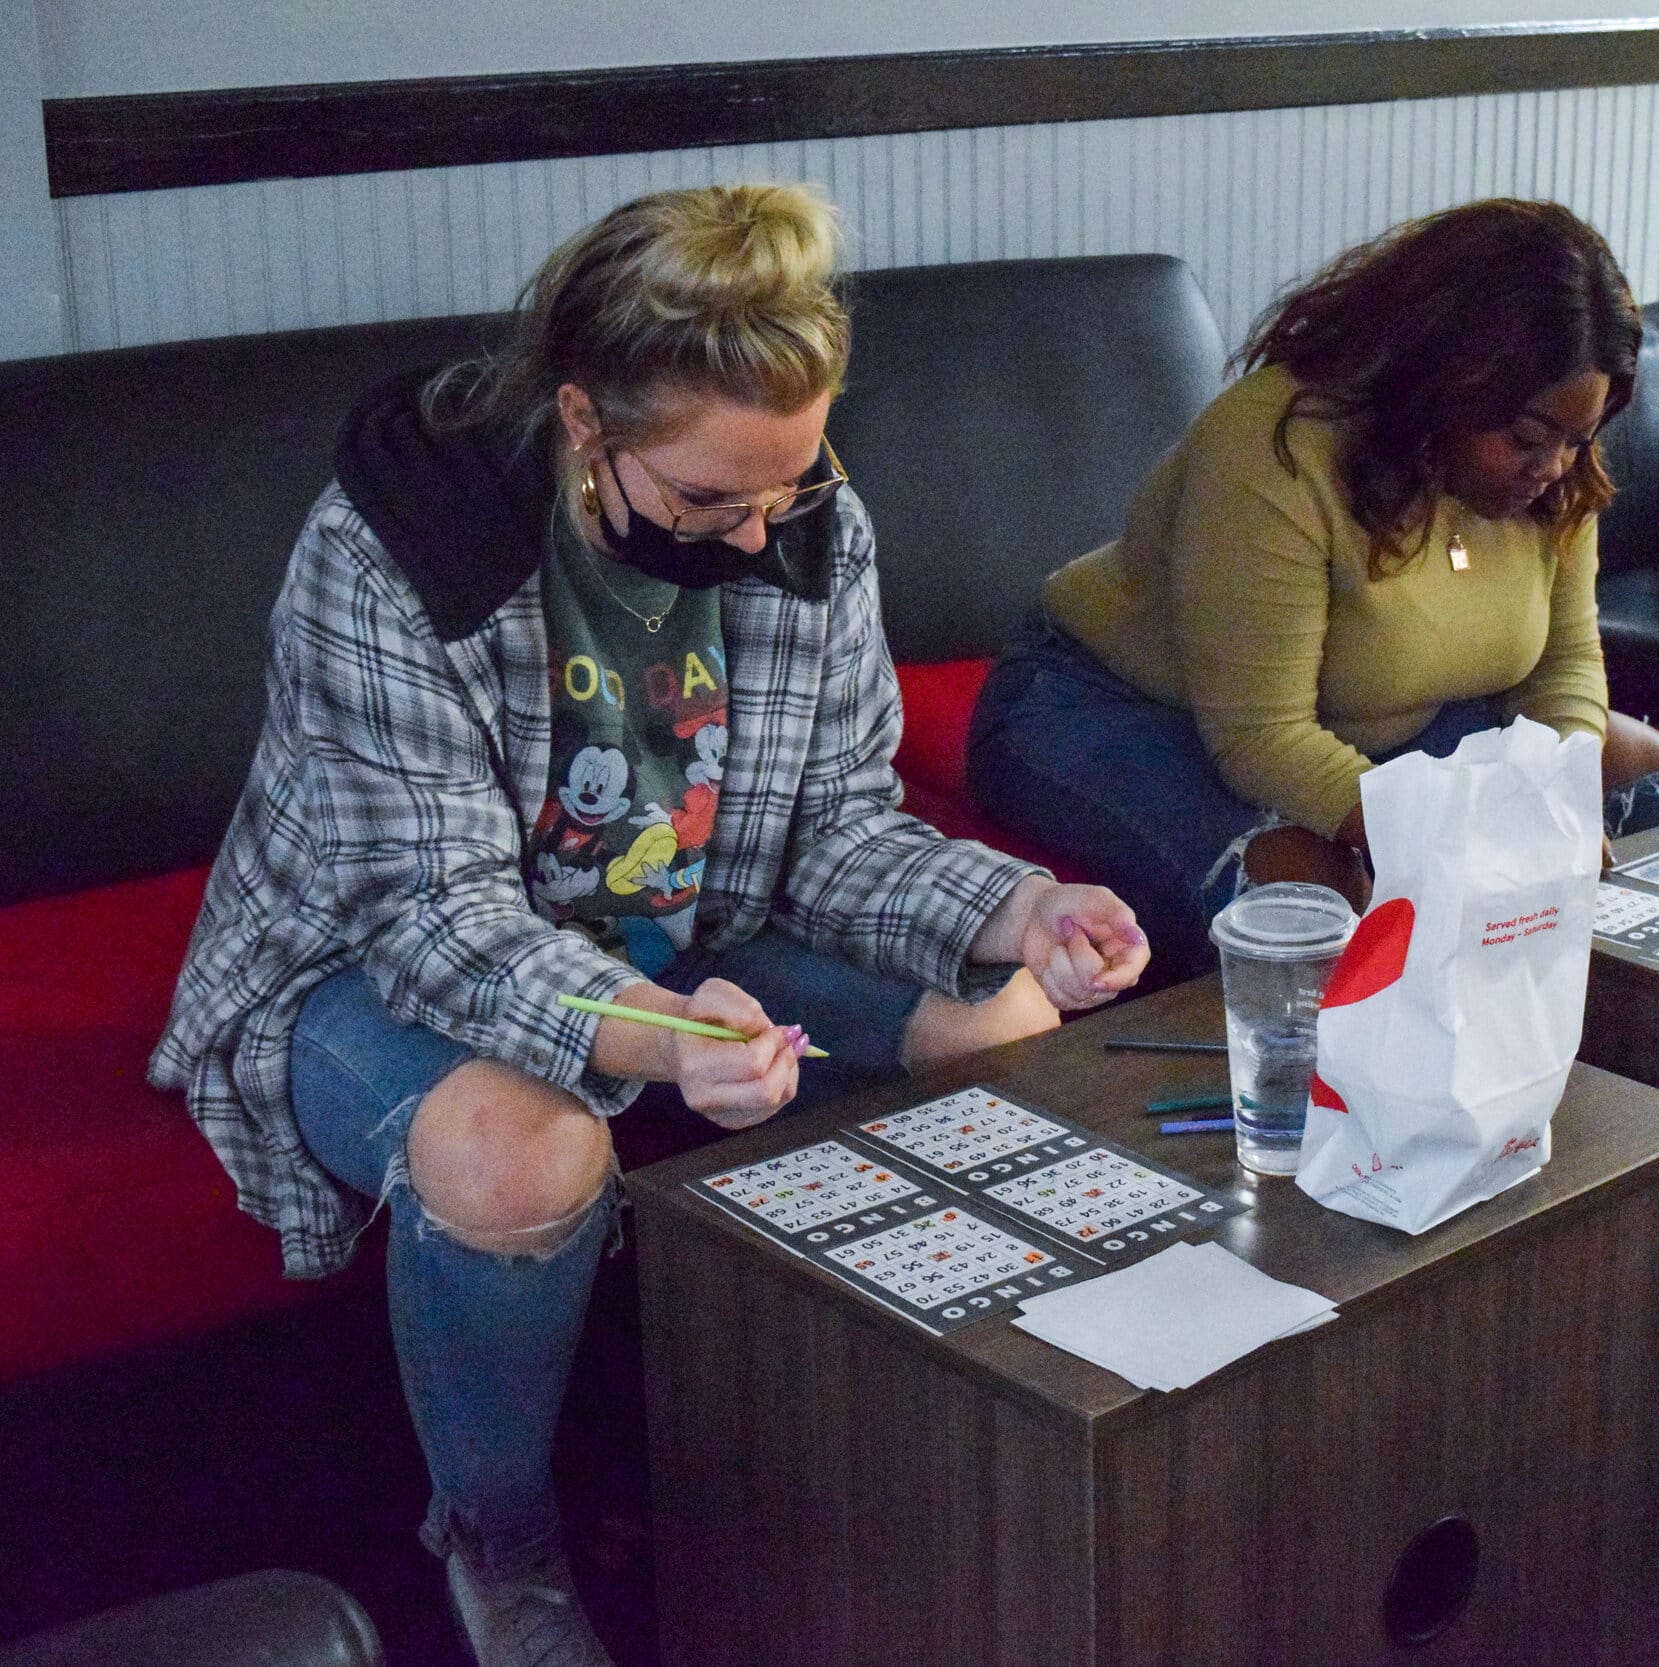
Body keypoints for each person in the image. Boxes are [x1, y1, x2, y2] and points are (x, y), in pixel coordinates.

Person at [148, 183, 1147, 1667]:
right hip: (364, 963)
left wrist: (1022, 901)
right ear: (581, 422)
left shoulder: (805, 517)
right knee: (521, 1150)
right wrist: (666, 1037)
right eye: (704, 500)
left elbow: (835, 826)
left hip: (686, 931)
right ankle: (502, 1539)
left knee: (1002, 1018)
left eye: (788, 489)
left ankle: (881, 1464)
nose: (757, 538)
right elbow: (435, 920)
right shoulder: (392, 544)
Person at [966, 198, 1659, 978]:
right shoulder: (1276, 447)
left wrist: (1558, 800)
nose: (1553, 466)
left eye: (1577, 438)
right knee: (1317, 908)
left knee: (1652, 785)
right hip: (1121, 708)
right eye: (1525, 439)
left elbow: (1564, 667)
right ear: (1444, 383)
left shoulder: (1553, 468)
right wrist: (1455, 837)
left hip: (1383, 720)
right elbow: (1262, 737)